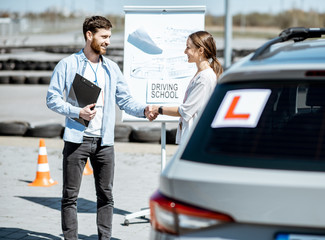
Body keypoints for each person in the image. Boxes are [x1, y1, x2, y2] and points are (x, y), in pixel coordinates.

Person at [46, 16, 157, 240]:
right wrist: (77, 112)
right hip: (77, 140)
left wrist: (144, 110)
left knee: (106, 196)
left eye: (109, 37)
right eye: (103, 37)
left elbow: (125, 101)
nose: (108, 41)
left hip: (105, 143)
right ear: (89, 35)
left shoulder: (112, 69)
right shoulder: (68, 65)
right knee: (70, 196)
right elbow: (52, 99)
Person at [152, 30, 223, 144]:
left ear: (200, 50)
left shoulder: (204, 78)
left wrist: (158, 109)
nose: (185, 51)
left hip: (195, 139)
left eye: (188, 47)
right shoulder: (201, 74)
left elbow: (185, 111)